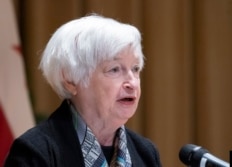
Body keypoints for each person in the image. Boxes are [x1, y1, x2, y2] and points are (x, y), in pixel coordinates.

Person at [4, 14, 162, 167]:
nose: (132, 83)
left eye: (135, 69)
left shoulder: (146, 153)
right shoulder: (35, 152)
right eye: (114, 70)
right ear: (70, 79)